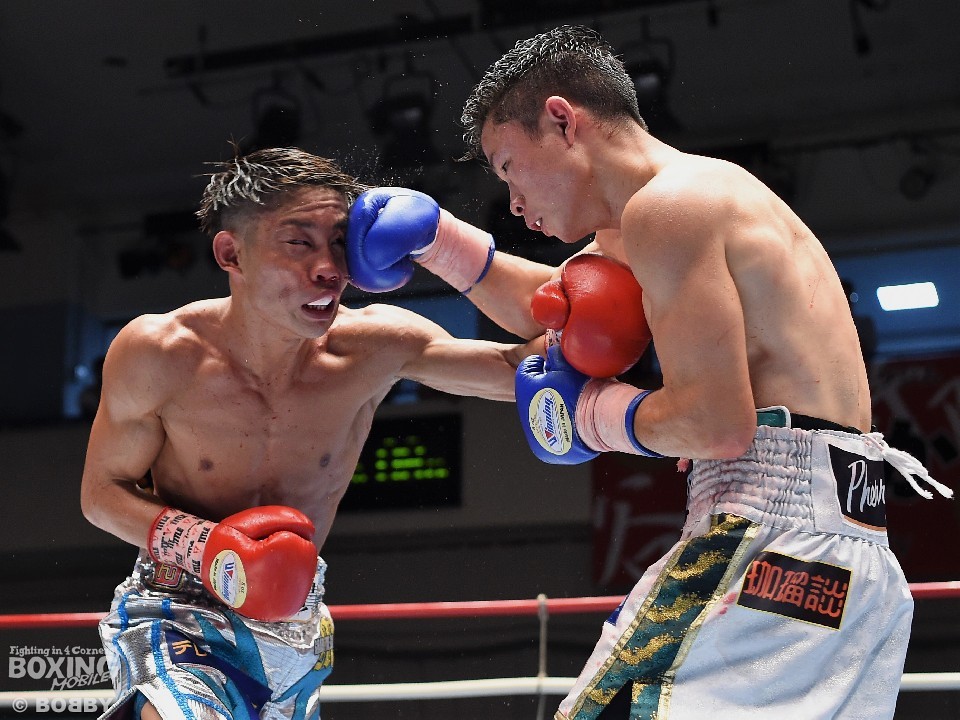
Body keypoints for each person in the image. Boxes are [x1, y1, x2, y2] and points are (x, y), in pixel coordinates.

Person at [344, 25, 953, 720]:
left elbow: (716, 425)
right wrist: (437, 244)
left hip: (770, 545)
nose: (510, 201)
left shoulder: (670, 209)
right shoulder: (683, 204)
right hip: (847, 558)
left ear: (562, 121)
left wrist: (590, 417)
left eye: (508, 166)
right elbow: (558, 311)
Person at [79, 147, 535, 720]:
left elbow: (533, 369)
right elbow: (101, 495)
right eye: (299, 242)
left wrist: (448, 246)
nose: (329, 268)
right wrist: (207, 547)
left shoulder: (376, 346)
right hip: (178, 603)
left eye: (340, 243)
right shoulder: (161, 352)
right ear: (231, 254)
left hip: (296, 620)